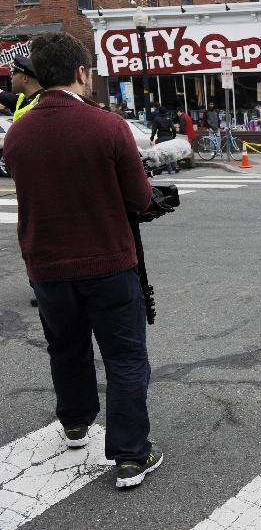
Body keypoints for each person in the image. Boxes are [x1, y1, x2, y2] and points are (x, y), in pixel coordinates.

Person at [4, 31, 162, 488]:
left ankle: (75, 424)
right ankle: (132, 454)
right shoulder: (107, 126)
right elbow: (139, 197)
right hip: (108, 261)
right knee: (125, 356)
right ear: (79, 72)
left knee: (66, 348)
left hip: (47, 264)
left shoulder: (17, 133)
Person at [0, 55, 45, 307]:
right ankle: (41, 284)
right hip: (27, 180)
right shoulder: (21, 99)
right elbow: (3, 96)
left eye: (14, 74)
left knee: (40, 235)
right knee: (30, 235)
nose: (11, 78)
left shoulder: (43, 102)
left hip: (42, 182)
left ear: (25, 77)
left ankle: (47, 285)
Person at [0, 55, 44, 121]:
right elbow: (5, 97)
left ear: (25, 78)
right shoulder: (25, 98)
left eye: (13, 73)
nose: (10, 77)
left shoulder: (39, 106)